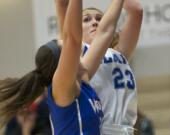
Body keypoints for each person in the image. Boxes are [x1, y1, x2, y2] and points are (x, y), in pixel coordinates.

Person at [0, 0, 125, 134]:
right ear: (63, 62)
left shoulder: (82, 77)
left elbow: (106, 31)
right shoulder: (61, 87)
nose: (69, 45)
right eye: (64, 46)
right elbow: (72, 38)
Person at [57, 0, 143, 134]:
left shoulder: (119, 52)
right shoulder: (78, 55)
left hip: (125, 130)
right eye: (86, 20)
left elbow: (136, 11)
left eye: (99, 19)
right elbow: (67, 27)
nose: (95, 22)